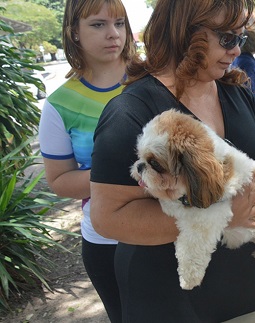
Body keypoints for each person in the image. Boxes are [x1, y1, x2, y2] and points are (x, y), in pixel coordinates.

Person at [89, 0, 255, 321]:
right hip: (170, 297)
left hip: (250, 290)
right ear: (183, 32)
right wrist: (215, 218)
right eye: (227, 38)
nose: (237, 50)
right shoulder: (128, 113)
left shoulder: (237, 93)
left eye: (241, 36)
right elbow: (108, 217)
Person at [37, 0, 136, 321]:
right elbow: (59, 181)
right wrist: (127, 174)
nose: (113, 34)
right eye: (98, 24)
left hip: (176, 224)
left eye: (119, 23)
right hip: (107, 242)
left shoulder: (157, 79)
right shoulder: (59, 104)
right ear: (74, 33)